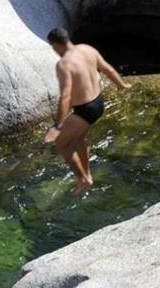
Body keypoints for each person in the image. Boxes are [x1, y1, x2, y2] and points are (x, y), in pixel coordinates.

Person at [44, 27, 132, 193]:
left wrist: (58, 126)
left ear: (55, 45)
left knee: (62, 143)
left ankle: (82, 179)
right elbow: (107, 68)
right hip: (98, 102)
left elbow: (65, 96)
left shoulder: (64, 64)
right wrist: (121, 85)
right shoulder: (87, 49)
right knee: (78, 139)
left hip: (85, 110)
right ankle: (88, 176)